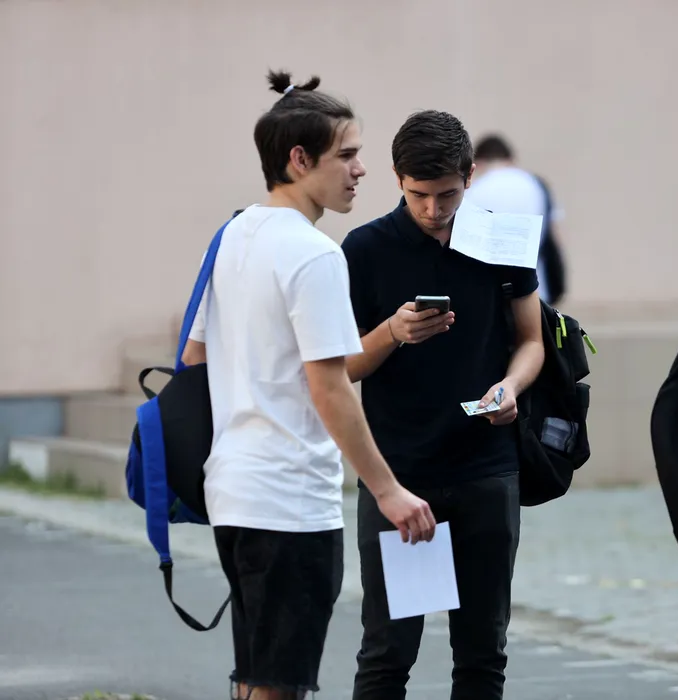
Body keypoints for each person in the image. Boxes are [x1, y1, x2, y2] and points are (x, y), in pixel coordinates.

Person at [182, 70, 436, 700]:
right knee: (279, 684)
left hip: (233, 490)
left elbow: (194, 356)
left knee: (256, 676)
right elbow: (330, 387)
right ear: (300, 160)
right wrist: (388, 491)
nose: (360, 169)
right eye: (346, 155)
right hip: (289, 501)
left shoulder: (233, 234)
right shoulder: (314, 254)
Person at [340, 110, 545, 700]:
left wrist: (511, 387)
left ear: (470, 176)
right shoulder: (367, 248)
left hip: (485, 472)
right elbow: (343, 366)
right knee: (389, 655)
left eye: (448, 194)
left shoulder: (499, 237)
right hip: (404, 481)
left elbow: (531, 341)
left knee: (481, 655)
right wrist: (392, 332)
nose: (433, 210)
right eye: (419, 195)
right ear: (398, 181)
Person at [465, 133, 568, 305]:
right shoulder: (537, 185)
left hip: (488, 295)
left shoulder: (472, 191)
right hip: (536, 291)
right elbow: (554, 236)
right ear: (511, 159)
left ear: (478, 163)